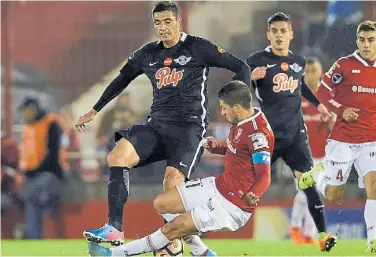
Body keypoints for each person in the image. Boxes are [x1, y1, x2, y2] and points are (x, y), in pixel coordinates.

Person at [75, 1, 250, 254]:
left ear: (179, 22)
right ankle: (115, 228)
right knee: (117, 156)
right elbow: (121, 79)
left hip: (189, 128)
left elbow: (241, 67)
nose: (163, 28)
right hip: (156, 126)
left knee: (171, 185)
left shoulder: (198, 47)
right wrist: (95, 109)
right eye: (158, 23)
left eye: (168, 22)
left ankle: (179, 245)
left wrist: (242, 113)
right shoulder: (147, 54)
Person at [88, 80, 274, 257]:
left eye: (224, 108)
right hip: (218, 186)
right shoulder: (241, 121)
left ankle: (113, 254)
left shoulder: (258, 134)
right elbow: (238, 149)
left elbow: (264, 174)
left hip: (233, 205)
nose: (222, 112)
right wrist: (217, 147)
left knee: (172, 228)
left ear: (237, 108)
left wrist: (254, 194)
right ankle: (201, 252)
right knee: (162, 203)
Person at [298, 20, 376, 252]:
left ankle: (372, 241)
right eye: (362, 40)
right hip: (343, 138)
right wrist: (341, 110)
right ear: (357, 41)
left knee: (375, 184)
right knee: (333, 194)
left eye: (371, 40)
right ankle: (319, 173)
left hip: (373, 138)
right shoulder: (343, 65)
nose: (366, 44)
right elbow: (322, 90)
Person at [245, 12, 336, 252]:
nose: (278, 36)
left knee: (309, 185)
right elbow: (238, 91)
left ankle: (323, 235)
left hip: (296, 137)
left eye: (282, 31)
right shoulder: (256, 60)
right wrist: (250, 79)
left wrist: (319, 105)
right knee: (248, 182)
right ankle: (210, 221)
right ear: (268, 35)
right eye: (274, 31)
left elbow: (301, 86)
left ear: (290, 34)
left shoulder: (298, 62)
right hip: (270, 137)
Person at [289, 57, 335, 244]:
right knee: (305, 193)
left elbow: (334, 127)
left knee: (314, 193)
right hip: (301, 156)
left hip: (323, 156)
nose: (309, 75)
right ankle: (296, 228)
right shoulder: (297, 98)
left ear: (321, 72)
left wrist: (330, 120)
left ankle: (307, 233)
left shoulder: (327, 99)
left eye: (313, 71)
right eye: (306, 71)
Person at [18, 97, 66, 239]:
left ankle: (34, 233)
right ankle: (34, 234)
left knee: (33, 195)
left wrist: (33, 171)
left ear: (34, 109)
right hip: (33, 176)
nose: (25, 114)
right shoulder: (28, 128)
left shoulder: (51, 124)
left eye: (27, 111)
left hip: (50, 173)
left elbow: (53, 155)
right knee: (29, 197)